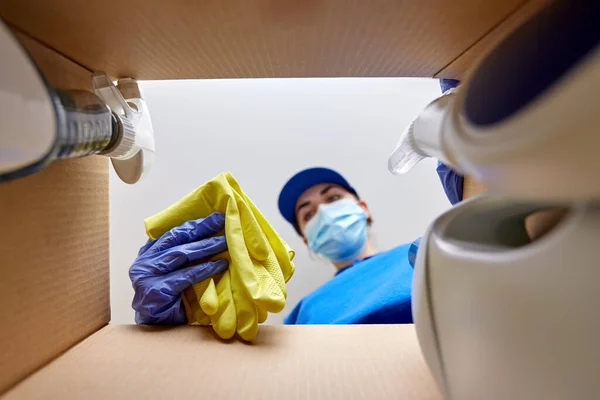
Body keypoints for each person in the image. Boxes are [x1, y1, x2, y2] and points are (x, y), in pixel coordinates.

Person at [277, 167, 418, 324]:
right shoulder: (304, 312)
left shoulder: (419, 254)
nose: (324, 212)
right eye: (308, 214)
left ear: (363, 208)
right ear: (307, 241)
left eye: (333, 198)